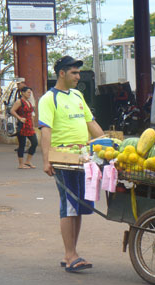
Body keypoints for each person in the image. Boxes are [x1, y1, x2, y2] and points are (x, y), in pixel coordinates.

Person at [38, 56, 104, 273]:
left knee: (79, 206)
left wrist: (107, 145)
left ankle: (72, 253)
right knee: (69, 205)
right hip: (63, 158)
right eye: (74, 73)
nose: (78, 76)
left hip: (83, 157)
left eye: (78, 72)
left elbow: (90, 122)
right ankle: (69, 255)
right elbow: (45, 130)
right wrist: (46, 159)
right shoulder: (48, 99)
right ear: (62, 74)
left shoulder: (77, 95)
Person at [10, 86, 38, 169]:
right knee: (22, 144)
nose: (29, 94)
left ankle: (28, 161)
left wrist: (33, 125)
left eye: (30, 92)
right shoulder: (19, 101)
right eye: (28, 92)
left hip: (29, 125)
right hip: (22, 125)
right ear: (23, 92)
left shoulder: (28, 102)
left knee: (34, 143)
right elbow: (12, 110)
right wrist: (19, 118)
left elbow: (31, 114)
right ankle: (21, 163)